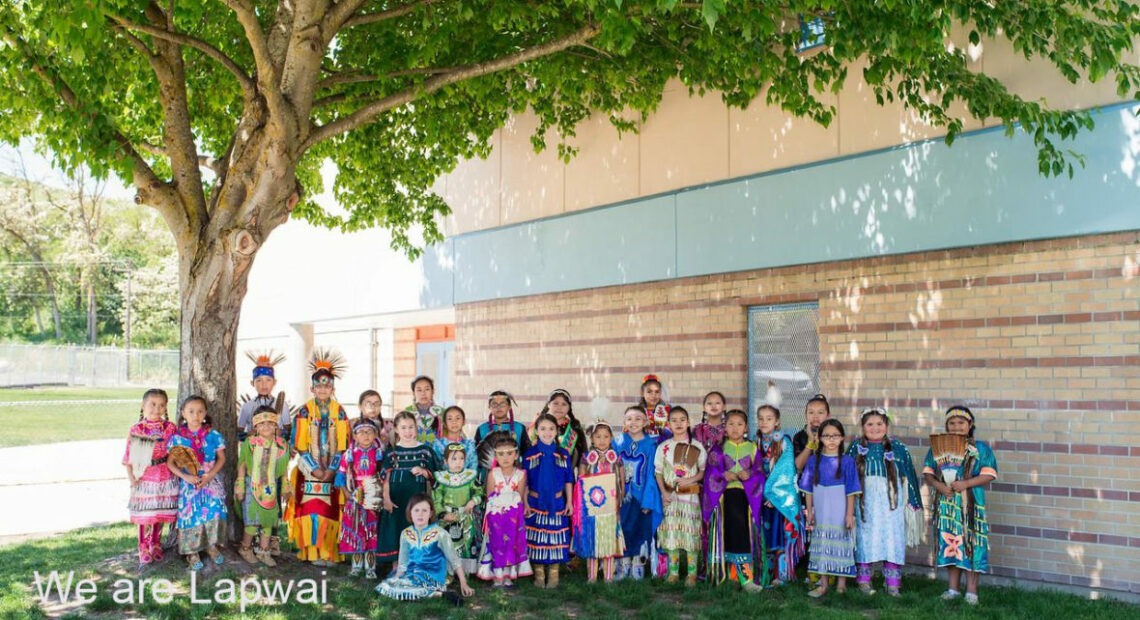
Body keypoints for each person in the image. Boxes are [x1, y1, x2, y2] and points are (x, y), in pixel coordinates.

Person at [923, 405, 998, 606]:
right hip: (947, 504)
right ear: (946, 426)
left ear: (970, 425)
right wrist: (939, 486)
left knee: (972, 543)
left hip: (971, 504)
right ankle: (953, 589)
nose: (957, 426)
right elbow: (928, 472)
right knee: (951, 543)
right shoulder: (938, 446)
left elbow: (989, 474)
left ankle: (972, 592)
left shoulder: (981, 449)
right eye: (952, 423)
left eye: (961, 423)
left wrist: (965, 483)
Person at [848, 408, 923, 596]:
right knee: (865, 538)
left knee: (892, 537)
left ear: (887, 425)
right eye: (870, 424)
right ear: (863, 426)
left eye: (879, 424)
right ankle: (864, 580)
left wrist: (912, 502)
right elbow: (847, 478)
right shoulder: (855, 447)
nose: (875, 428)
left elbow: (910, 477)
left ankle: (892, 582)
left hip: (892, 503)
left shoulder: (899, 448)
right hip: (865, 503)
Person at [286, 348, 350, 566]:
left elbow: (343, 445)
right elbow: (299, 444)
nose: (323, 388)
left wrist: (332, 469)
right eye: (319, 385)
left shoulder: (339, 412)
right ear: (312, 388)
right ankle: (311, 553)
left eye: (327, 385)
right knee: (311, 508)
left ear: (333, 388)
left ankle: (329, 552)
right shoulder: (304, 411)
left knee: (330, 510)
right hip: (309, 469)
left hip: (333, 471)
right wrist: (314, 469)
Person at [703, 409, 766, 592]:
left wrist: (750, 474)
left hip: (745, 500)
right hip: (724, 499)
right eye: (731, 424)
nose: (735, 428)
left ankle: (746, 578)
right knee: (726, 535)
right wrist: (723, 474)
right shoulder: (719, 449)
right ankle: (726, 575)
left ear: (746, 427)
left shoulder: (753, 448)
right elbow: (710, 473)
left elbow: (760, 472)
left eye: (739, 424)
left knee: (742, 536)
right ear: (725, 427)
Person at [800, 419, 861, 597]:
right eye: (826, 436)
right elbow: (808, 490)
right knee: (822, 543)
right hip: (820, 507)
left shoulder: (848, 462)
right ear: (819, 438)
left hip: (839, 508)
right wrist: (810, 512)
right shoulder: (813, 461)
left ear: (842, 438)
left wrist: (849, 515)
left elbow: (851, 490)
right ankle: (823, 584)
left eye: (835, 435)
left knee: (841, 543)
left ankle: (841, 585)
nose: (831, 439)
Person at [375, 494, 475, 600]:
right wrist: (396, 579)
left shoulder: (440, 533)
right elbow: (403, 563)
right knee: (385, 586)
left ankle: (437, 593)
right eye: (416, 510)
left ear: (431, 513)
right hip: (412, 574)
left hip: (432, 576)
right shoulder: (405, 533)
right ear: (410, 513)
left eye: (424, 510)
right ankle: (434, 594)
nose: (420, 514)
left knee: (406, 588)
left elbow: (454, 560)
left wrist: (463, 583)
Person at [167, 395, 228, 571]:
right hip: (189, 483)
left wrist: (210, 476)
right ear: (183, 413)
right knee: (190, 514)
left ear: (205, 413)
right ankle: (191, 552)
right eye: (191, 411)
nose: (196, 415)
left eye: (200, 411)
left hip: (210, 480)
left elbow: (221, 458)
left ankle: (211, 545)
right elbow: (170, 463)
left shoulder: (213, 435)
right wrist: (185, 477)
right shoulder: (178, 437)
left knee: (214, 509)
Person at [122, 388, 179, 565]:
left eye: (161, 405)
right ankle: (143, 545)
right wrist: (131, 477)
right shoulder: (137, 429)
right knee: (146, 511)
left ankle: (155, 542)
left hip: (165, 474)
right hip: (144, 475)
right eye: (152, 404)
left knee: (159, 511)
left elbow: (175, 451)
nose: (157, 409)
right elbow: (129, 456)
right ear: (143, 405)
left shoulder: (170, 428)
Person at [377, 411, 440, 568]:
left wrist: (424, 471)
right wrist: (386, 499)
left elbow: (436, 476)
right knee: (395, 530)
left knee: (415, 529)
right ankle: (396, 567)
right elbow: (385, 479)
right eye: (403, 427)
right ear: (396, 430)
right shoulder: (392, 452)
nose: (408, 431)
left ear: (416, 428)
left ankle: (416, 566)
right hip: (396, 500)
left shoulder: (425, 451)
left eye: (411, 427)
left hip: (416, 501)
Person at [654, 406, 707, 585]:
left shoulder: (697, 446)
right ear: (668, 424)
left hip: (689, 498)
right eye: (674, 420)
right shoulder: (664, 447)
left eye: (682, 419)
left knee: (691, 533)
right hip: (670, 497)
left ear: (688, 422)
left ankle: (691, 573)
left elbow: (702, 471)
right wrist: (663, 493)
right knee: (671, 532)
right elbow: (658, 472)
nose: (678, 423)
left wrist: (690, 479)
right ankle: (673, 571)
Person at [523, 413, 576, 589]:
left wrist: (569, 502)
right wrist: (525, 502)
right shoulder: (529, 454)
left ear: (557, 431)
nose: (547, 432)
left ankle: (554, 573)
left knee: (555, 537)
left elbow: (569, 479)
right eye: (543, 428)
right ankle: (539, 573)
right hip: (535, 502)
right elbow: (524, 481)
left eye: (551, 428)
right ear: (536, 431)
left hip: (557, 502)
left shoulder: (563, 454)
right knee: (537, 537)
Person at [756, 403, 805, 586]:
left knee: (781, 535)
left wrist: (773, 494)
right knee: (767, 535)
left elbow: (786, 469)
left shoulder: (784, 441)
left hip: (779, 496)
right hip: (763, 495)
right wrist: (762, 493)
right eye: (760, 418)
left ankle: (782, 575)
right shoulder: (757, 441)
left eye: (769, 418)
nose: (764, 422)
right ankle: (766, 574)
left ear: (777, 422)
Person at [612, 405, 663, 580]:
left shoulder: (650, 445)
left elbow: (651, 473)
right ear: (624, 422)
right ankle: (623, 562)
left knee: (641, 528)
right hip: (622, 496)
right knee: (623, 528)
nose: (633, 422)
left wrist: (648, 500)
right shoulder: (618, 442)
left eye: (638, 418)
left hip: (641, 495)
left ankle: (637, 563)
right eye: (629, 419)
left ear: (646, 422)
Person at [235, 406, 291, 567]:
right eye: (261, 424)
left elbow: (284, 467)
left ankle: (263, 551)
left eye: (270, 423)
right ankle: (245, 548)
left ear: (275, 425)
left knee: (268, 521)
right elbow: (243, 465)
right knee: (252, 522)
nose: (266, 427)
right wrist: (239, 485)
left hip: (270, 487)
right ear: (255, 427)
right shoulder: (250, 443)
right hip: (251, 484)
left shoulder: (281, 445)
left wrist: (286, 486)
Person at [572, 419, 625, 583]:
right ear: (592, 439)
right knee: (592, 538)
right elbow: (581, 481)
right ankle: (592, 576)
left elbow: (621, 481)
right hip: (591, 508)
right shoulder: (587, 458)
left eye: (606, 436)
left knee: (609, 538)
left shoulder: (616, 459)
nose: (602, 440)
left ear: (611, 438)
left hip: (610, 507)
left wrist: (618, 500)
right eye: (598, 436)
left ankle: (609, 575)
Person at [477, 437, 533, 586]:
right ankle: (497, 575)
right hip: (496, 517)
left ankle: (508, 575)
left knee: (511, 544)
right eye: (501, 454)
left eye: (509, 453)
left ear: (516, 455)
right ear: (496, 457)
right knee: (497, 544)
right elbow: (490, 496)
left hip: (513, 517)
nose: (505, 458)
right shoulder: (493, 474)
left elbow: (519, 496)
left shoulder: (520, 474)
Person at [336, 418, 384, 578]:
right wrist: (346, 493)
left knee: (372, 531)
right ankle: (356, 566)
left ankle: (371, 567)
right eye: (361, 432)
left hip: (373, 496)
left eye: (369, 431)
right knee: (356, 529)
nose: (365, 435)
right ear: (354, 436)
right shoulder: (349, 454)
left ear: (375, 434)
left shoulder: (378, 453)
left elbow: (383, 475)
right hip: (354, 495)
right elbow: (341, 476)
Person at [433, 443, 483, 574]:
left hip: (465, 517)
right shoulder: (441, 478)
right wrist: (443, 514)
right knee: (448, 544)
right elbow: (436, 500)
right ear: (445, 461)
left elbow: (480, 492)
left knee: (466, 543)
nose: (458, 462)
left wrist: (473, 501)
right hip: (448, 518)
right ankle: (448, 572)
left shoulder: (470, 477)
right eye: (453, 459)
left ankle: (465, 571)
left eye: (461, 458)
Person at [237, 350, 291, 442]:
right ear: (252, 383)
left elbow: (289, 432)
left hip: (277, 451)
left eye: (268, 380)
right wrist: (249, 434)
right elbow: (238, 434)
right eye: (259, 380)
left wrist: (281, 433)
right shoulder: (247, 406)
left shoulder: (282, 405)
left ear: (274, 382)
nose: (264, 384)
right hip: (254, 452)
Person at [474, 390, 530, 479]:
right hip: (488, 478)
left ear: (509, 406)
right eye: (494, 404)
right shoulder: (482, 429)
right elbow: (476, 458)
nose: (498, 407)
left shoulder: (519, 428)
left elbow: (527, 455)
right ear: (489, 407)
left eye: (502, 404)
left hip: (515, 478)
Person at [527, 389, 587, 469]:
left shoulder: (575, 429)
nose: (559, 407)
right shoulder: (536, 427)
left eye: (564, 404)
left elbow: (583, 458)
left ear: (569, 408)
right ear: (548, 405)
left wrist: (581, 478)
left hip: (566, 479)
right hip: (538, 477)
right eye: (555, 403)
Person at [434, 405, 478, 473]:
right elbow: (436, 469)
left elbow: (473, 468)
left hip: (467, 482)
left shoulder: (470, 445)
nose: (454, 422)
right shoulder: (438, 444)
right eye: (450, 419)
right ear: (445, 423)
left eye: (457, 418)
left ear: (463, 421)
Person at [794, 394, 831, 472]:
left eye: (820, 413)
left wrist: (819, 442)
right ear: (806, 415)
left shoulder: (832, 436)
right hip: (803, 481)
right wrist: (810, 442)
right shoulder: (799, 436)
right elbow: (798, 466)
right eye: (811, 412)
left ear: (828, 416)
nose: (815, 416)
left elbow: (832, 465)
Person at [404, 375, 444, 444]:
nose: (423, 393)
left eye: (427, 389)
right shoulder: (407, 413)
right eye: (419, 390)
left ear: (433, 391)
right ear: (413, 393)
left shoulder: (442, 412)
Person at [638, 374, 672, 438]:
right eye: (649, 392)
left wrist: (664, 429)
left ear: (660, 393)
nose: (653, 395)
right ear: (642, 393)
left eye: (657, 392)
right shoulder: (636, 412)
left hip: (664, 446)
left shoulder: (667, 410)